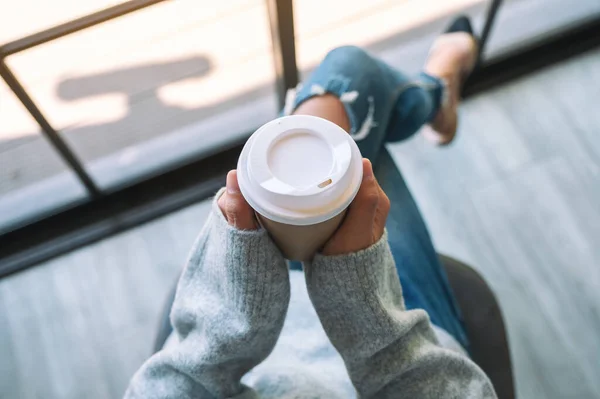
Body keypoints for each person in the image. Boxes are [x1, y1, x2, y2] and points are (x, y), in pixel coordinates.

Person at [125, 16, 497, 398]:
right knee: (350, 74)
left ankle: (432, 97)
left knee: (340, 102)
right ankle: (434, 94)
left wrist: (233, 319)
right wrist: (364, 308)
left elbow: (169, 387)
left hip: (259, 312)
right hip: (393, 328)